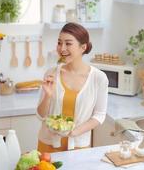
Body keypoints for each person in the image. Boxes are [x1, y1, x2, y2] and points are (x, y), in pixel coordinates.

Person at [36, 22, 108, 153]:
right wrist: (48, 95)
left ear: (83, 47)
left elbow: (99, 115)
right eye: (59, 43)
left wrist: (73, 132)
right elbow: (41, 115)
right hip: (48, 145)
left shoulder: (98, 78)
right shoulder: (51, 73)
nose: (62, 48)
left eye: (68, 43)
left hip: (79, 146)